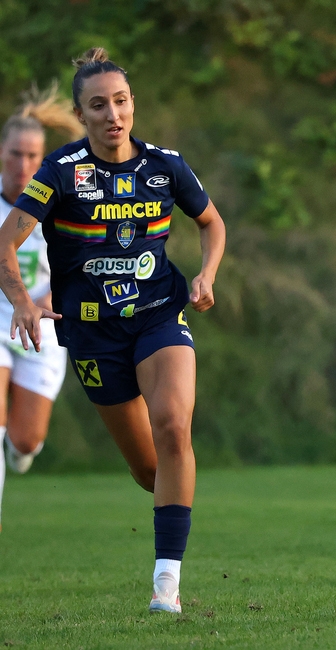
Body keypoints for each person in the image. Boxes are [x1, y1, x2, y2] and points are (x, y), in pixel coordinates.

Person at [0, 48, 226, 613]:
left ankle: (166, 589)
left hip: (159, 314)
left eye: (120, 101)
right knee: (150, 469)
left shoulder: (164, 166)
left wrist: (206, 274)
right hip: (94, 337)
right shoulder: (58, 173)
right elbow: (6, 242)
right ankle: (173, 499)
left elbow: (211, 222)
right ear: (82, 115)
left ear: (133, 105)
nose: (112, 114)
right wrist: (24, 302)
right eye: (98, 105)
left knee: (174, 426)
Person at [0, 84, 84, 529]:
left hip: (44, 324)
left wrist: (43, 302)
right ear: (1, 152)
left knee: (27, 438)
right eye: (16, 154)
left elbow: (77, 265)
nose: (25, 165)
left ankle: (21, 450)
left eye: (34, 156)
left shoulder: (58, 199)